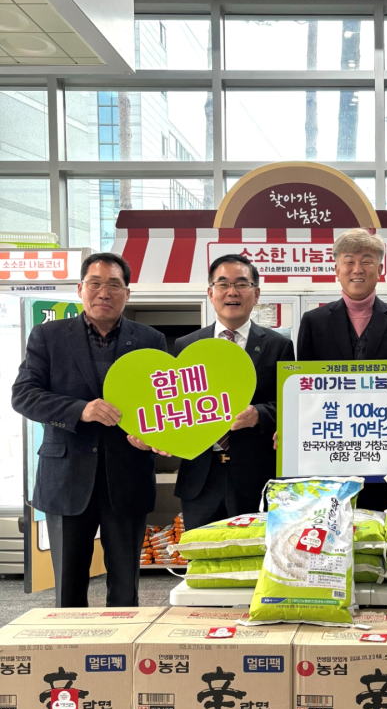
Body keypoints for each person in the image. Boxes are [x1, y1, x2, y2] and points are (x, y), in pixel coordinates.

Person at [11, 252, 168, 607]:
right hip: (66, 476)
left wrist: (154, 436)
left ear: (127, 293)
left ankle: (123, 640)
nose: (104, 292)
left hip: (127, 475)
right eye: (95, 284)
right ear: (80, 289)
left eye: (114, 285)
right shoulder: (49, 336)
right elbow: (24, 395)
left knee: (125, 589)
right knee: (68, 588)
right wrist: (80, 410)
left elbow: (161, 404)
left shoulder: (151, 339)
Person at [296, 228, 387, 509]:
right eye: (349, 261)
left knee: (379, 521)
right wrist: (292, 427)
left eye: (367, 261)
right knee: (329, 520)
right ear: (336, 270)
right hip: (329, 446)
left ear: (380, 269)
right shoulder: (313, 321)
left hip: (385, 447)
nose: (357, 269)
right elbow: (302, 388)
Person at [166, 254, 294, 531]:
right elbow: (175, 403)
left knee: (254, 553)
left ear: (256, 294)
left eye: (242, 284)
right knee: (201, 554)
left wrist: (259, 414)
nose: (232, 292)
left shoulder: (279, 346)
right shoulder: (187, 345)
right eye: (223, 284)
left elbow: (291, 405)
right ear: (211, 293)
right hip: (200, 477)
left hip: (255, 476)